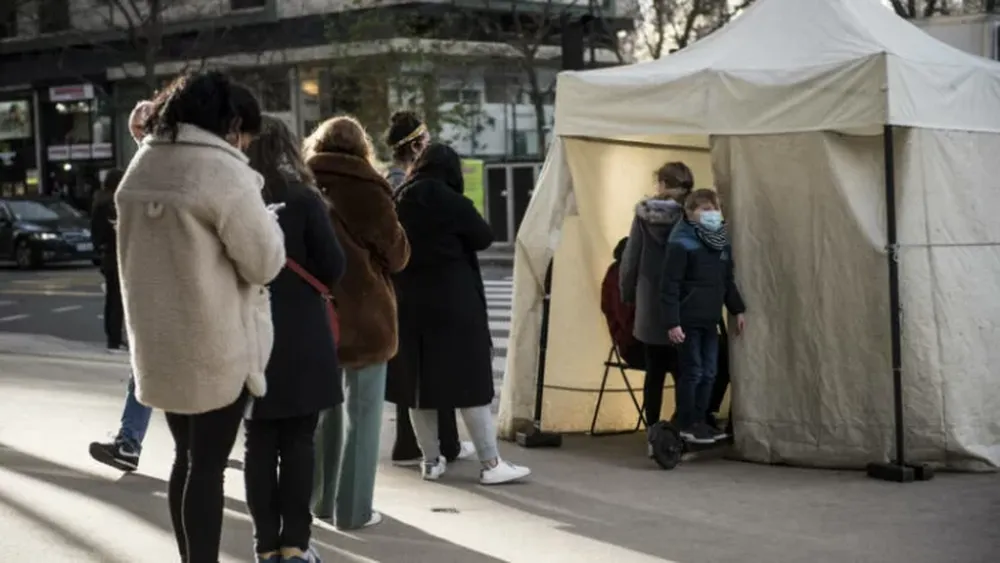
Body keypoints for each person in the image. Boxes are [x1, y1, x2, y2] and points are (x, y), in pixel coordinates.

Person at [115, 70, 286, 563]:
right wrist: (269, 222)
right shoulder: (221, 171)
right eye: (246, 138)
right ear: (232, 125)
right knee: (208, 467)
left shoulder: (145, 165)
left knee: (186, 459)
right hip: (217, 345)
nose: (246, 149)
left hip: (161, 341)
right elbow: (264, 261)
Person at [387, 143, 530, 485]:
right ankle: (490, 463)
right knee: (471, 383)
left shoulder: (398, 199)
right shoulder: (451, 201)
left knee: (419, 386)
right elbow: (483, 236)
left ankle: (431, 461)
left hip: (410, 304)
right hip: (454, 302)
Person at [243, 115, 346, 563]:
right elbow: (333, 266)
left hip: (249, 334)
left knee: (258, 441)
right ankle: (295, 543)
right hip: (302, 333)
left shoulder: (236, 199)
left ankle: (264, 544)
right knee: (300, 441)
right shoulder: (304, 198)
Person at [303, 115, 410, 530]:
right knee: (362, 416)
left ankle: (320, 502)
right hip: (365, 315)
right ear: (362, 146)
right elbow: (397, 254)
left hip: (316, 312)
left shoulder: (303, 184)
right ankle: (353, 510)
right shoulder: (370, 188)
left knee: (325, 413)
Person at [383, 110, 473, 466]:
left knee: (411, 366)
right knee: (437, 365)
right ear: (419, 143)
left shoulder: (390, 181)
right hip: (422, 280)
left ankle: (411, 443)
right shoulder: (410, 186)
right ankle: (443, 442)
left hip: (402, 284)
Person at [86, 104, 156, 472]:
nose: (139, 140)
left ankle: (207, 443)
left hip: (176, 287)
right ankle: (129, 442)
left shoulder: (172, 166)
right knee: (145, 368)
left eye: (142, 133)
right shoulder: (145, 168)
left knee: (158, 368)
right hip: (154, 286)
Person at [661, 188, 746, 445]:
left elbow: (726, 280)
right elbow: (669, 285)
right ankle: (686, 422)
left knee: (710, 372)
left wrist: (737, 309)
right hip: (687, 321)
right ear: (689, 213)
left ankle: (700, 420)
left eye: (714, 209)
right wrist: (672, 322)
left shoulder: (720, 244)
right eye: (704, 209)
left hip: (710, 320)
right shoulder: (680, 243)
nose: (711, 214)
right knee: (693, 372)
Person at [619, 162, 693, 431]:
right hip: (684, 302)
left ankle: (652, 430)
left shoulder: (644, 214)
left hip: (651, 303)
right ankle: (684, 426)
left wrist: (627, 293)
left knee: (655, 372)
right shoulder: (694, 213)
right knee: (685, 370)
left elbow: (631, 257)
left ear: (662, 184)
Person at [91, 168, 125, 352]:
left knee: (112, 298)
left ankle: (113, 337)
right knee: (117, 299)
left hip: (107, 256)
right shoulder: (112, 204)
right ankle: (115, 338)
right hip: (115, 255)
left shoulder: (100, 201)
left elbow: (96, 234)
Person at [601, 237, 644, 368]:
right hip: (634, 346)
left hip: (636, 343)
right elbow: (626, 317)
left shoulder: (618, 273)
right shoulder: (621, 277)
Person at [384, 110, 430, 192]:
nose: (429, 148)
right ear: (414, 146)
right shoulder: (404, 184)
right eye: (427, 143)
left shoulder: (390, 178)